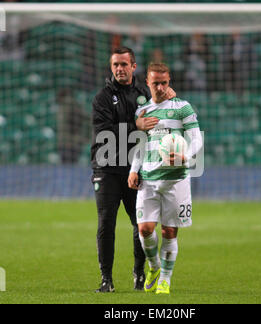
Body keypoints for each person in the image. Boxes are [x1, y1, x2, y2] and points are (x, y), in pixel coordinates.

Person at [91, 47, 174, 293]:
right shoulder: (102, 98)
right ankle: (106, 279)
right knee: (106, 223)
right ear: (111, 67)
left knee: (141, 224)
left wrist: (171, 96)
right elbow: (103, 133)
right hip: (106, 169)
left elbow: (164, 107)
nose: (119, 69)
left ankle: (139, 275)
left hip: (136, 168)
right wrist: (135, 125)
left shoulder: (144, 93)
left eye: (124, 64)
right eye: (115, 64)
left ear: (134, 67)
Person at [128, 63, 203, 294]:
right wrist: (133, 169)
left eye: (164, 83)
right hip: (148, 179)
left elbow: (197, 140)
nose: (160, 87)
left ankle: (165, 280)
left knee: (168, 232)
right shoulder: (142, 112)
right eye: (155, 83)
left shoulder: (182, 108)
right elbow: (141, 145)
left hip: (176, 180)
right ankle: (154, 266)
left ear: (169, 82)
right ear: (148, 84)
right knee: (145, 229)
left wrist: (185, 155)